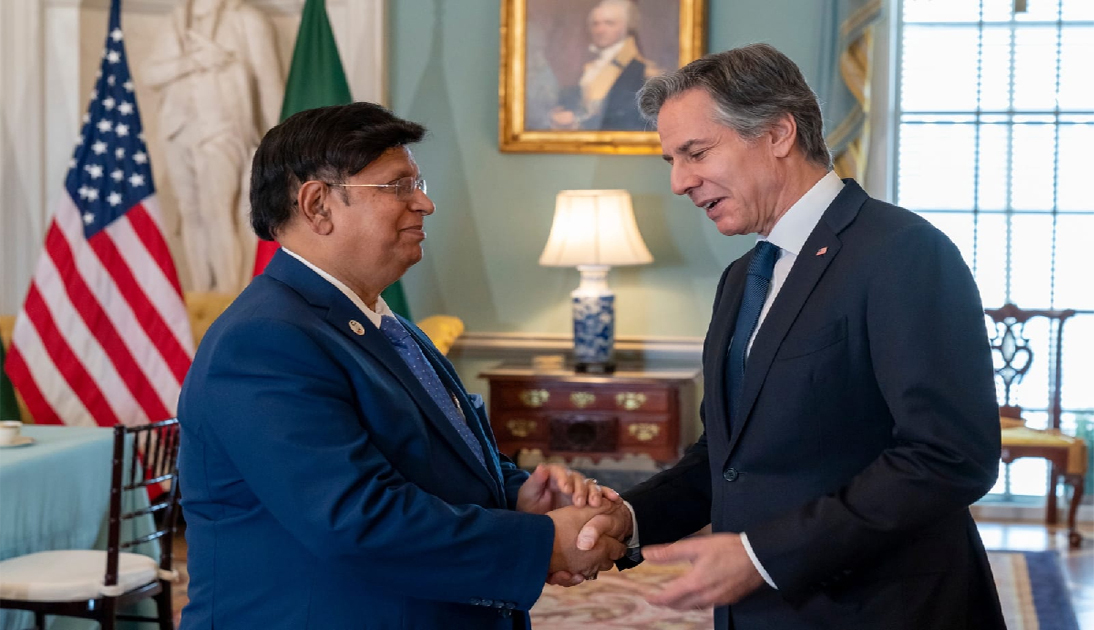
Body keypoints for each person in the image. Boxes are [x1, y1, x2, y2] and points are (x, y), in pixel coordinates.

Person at [573, 44, 1006, 629]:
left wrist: (762, 556)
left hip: (883, 611)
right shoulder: (742, 277)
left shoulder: (903, 252)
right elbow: (729, 457)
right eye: (671, 160)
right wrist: (631, 517)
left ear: (778, 133)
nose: (679, 182)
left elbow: (950, 456)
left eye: (696, 153)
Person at [176, 102, 624, 629]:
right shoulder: (263, 340)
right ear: (318, 205)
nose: (425, 203)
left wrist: (517, 497)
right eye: (397, 186)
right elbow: (355, 518)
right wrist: (544, 543)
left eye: (418, 184)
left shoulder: (385, 325)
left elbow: (430, 460)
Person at [144, 0, 283, 293]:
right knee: (190, 212)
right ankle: (200, 293)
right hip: (178, 129)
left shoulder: (246, 20)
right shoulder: (177, 19)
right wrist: (194, 61)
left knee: (218, 212)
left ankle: (228, 294)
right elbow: (150, 74)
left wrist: (279, 145)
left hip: (223, 129)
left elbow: (270, 85)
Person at [549, 0, 660, 131]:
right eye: (595, 24)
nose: (600, 30)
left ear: (626, 27)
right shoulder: (590, 67)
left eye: (609, 23)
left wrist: (577, 122)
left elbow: (627, 116)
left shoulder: (643, 70)